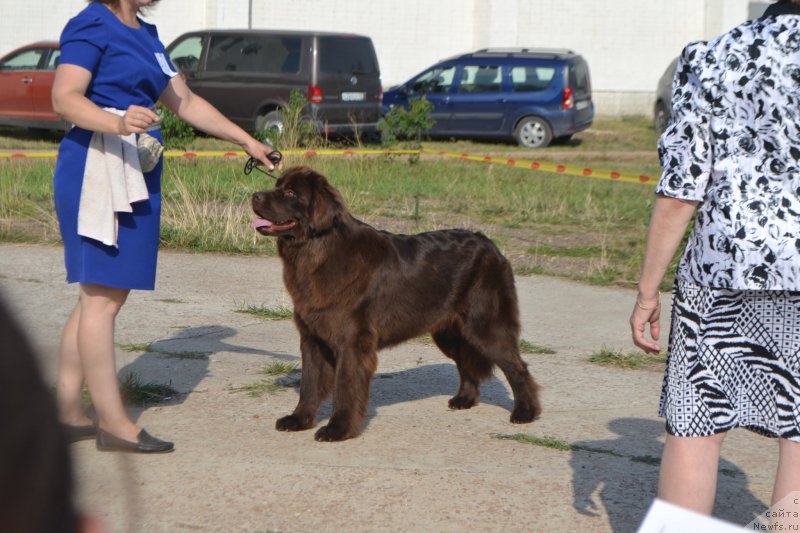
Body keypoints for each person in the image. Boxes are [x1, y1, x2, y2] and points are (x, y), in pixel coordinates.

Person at [52, 0, 278, 454]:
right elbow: (64, 98)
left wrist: (249, 141)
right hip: (97, 169)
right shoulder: (91, 22)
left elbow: (187, 102)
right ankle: (115, 424)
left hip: (133, 170)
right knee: (102, 298)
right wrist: (118, 122)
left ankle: (66, 412)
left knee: (100, 293)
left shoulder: (148, 34)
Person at [630, 0, 800, 522]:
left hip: (720, 269)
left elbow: (682, 190)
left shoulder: (711, 57)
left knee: (696, 423)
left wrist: (647, 292)